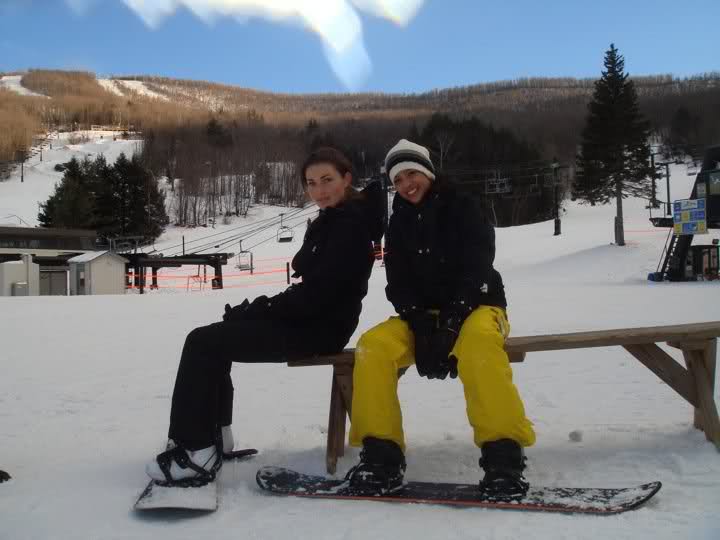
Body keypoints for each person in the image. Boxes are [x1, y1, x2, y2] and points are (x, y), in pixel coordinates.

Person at [146, 147, 384, 486]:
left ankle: (195, 453)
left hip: (319, 329)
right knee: (215, 336)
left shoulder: (350, 227)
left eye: (327, 180)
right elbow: (311, 292)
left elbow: (319, 295)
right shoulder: (333, 220)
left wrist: (260, 310)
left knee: (202, 343)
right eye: (311, 183)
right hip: (311, 319)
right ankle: (215, 436)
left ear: (346, 179)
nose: (319, 190)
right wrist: (255, 311)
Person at [346, 139, 536, 499]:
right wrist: (420, 326)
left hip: (478, 307)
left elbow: (478, 265)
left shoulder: (463, 206)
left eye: (412, 174)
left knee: (479, 347)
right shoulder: (398, 223)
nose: (406, 184)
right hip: (424, 316)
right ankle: (381, 457)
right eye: (398, 180)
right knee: (373, 347)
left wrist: (451, 323)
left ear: (428, 172)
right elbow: (398, 283)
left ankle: (504, 459)